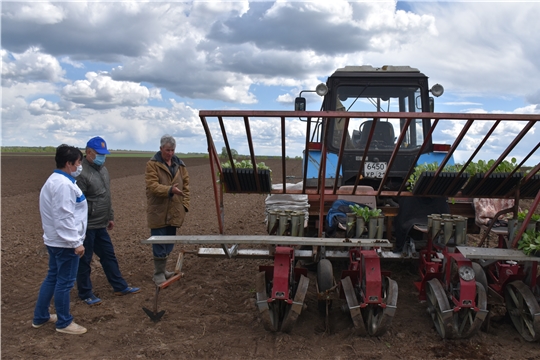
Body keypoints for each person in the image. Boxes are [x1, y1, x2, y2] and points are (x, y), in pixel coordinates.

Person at [76, 136, 140, 305]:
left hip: (101, 223)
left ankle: (119, 287)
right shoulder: (81, 173)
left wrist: (109, 216)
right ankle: (85, 293)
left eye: (104, 154)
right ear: (88, 153)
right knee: (85, 260)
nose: (102, 157)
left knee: (108, 255)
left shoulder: (103, 170)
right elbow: (77, 202)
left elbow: (106, 196)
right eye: (99, 154)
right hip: (87, 226)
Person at [32, 144, 88, 335]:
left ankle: (40, 316)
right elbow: (64, 217)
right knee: (64, 282)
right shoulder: (63, 185)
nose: (80, 166)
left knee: (53, 277)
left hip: (55, 240)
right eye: (78, 162)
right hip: (65, 243)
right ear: (69, 163)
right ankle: (64, 322)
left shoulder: (55, 180)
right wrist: (76, 243)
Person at [145, 134, 190, 285]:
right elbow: (152, 186)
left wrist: (185, 206)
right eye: (167, 150)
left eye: (172, 150)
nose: (170, 153)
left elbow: (186, 186)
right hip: (159, 210)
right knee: (159, 241)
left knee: (169, 241)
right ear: (161, 149)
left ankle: (164, 270)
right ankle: (158, 273)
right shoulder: (152, 165)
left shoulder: (180, 165)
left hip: (175, 210)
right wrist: (170, 190)